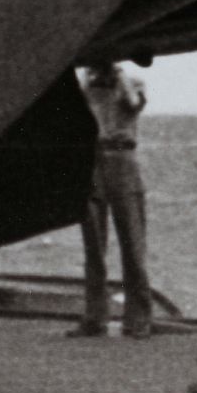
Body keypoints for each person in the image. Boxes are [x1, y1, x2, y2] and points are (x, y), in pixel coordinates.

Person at [74, 60, 153, 338]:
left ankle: (138, 319)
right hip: (92, 159)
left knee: (132, 242)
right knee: (93, 246)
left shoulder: (133, 83)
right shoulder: (88, 85)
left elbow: (133, 104)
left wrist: (118, 74)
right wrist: (88, 76)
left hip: (122, 159)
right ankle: (94, 317)